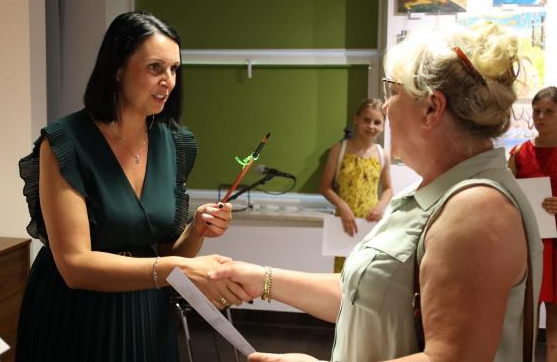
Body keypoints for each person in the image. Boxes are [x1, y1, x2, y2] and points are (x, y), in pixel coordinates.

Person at [210, 22, 542, 361]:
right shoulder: (431, 192)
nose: (385, 108)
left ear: (432, 108)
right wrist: (264, 280)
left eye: (392, 91)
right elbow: (365, 295)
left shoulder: (477, 209)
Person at [16, 11, 250, 361]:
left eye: (174, 69)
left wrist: (197, 229)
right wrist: (177, 270)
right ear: (117, 69)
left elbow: (166, 252)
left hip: (146, 314)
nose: (168, 81)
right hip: (75, 318)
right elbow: (75, 266)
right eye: (155, 68)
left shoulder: (175, 142)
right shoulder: (67, 143)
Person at [509, 86, 557, 362]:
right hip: (530, 245)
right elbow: (507, 198)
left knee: (555, 327)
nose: (540, 117)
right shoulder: (519, 153)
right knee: (525, 321)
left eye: (549, 111)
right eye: (537, 111)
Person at [319, 99, 393, 272]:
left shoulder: (382, 155)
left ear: (383, 126)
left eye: (377, 122)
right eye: (366, 120)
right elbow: (324, 187)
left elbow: (388, 189)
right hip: (346, 224)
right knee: (343, 274)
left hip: (371, 224)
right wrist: (343, 206)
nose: (371, 126)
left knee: (367, 272)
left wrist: (380, 207)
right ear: (356, 119)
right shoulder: (339, 150)